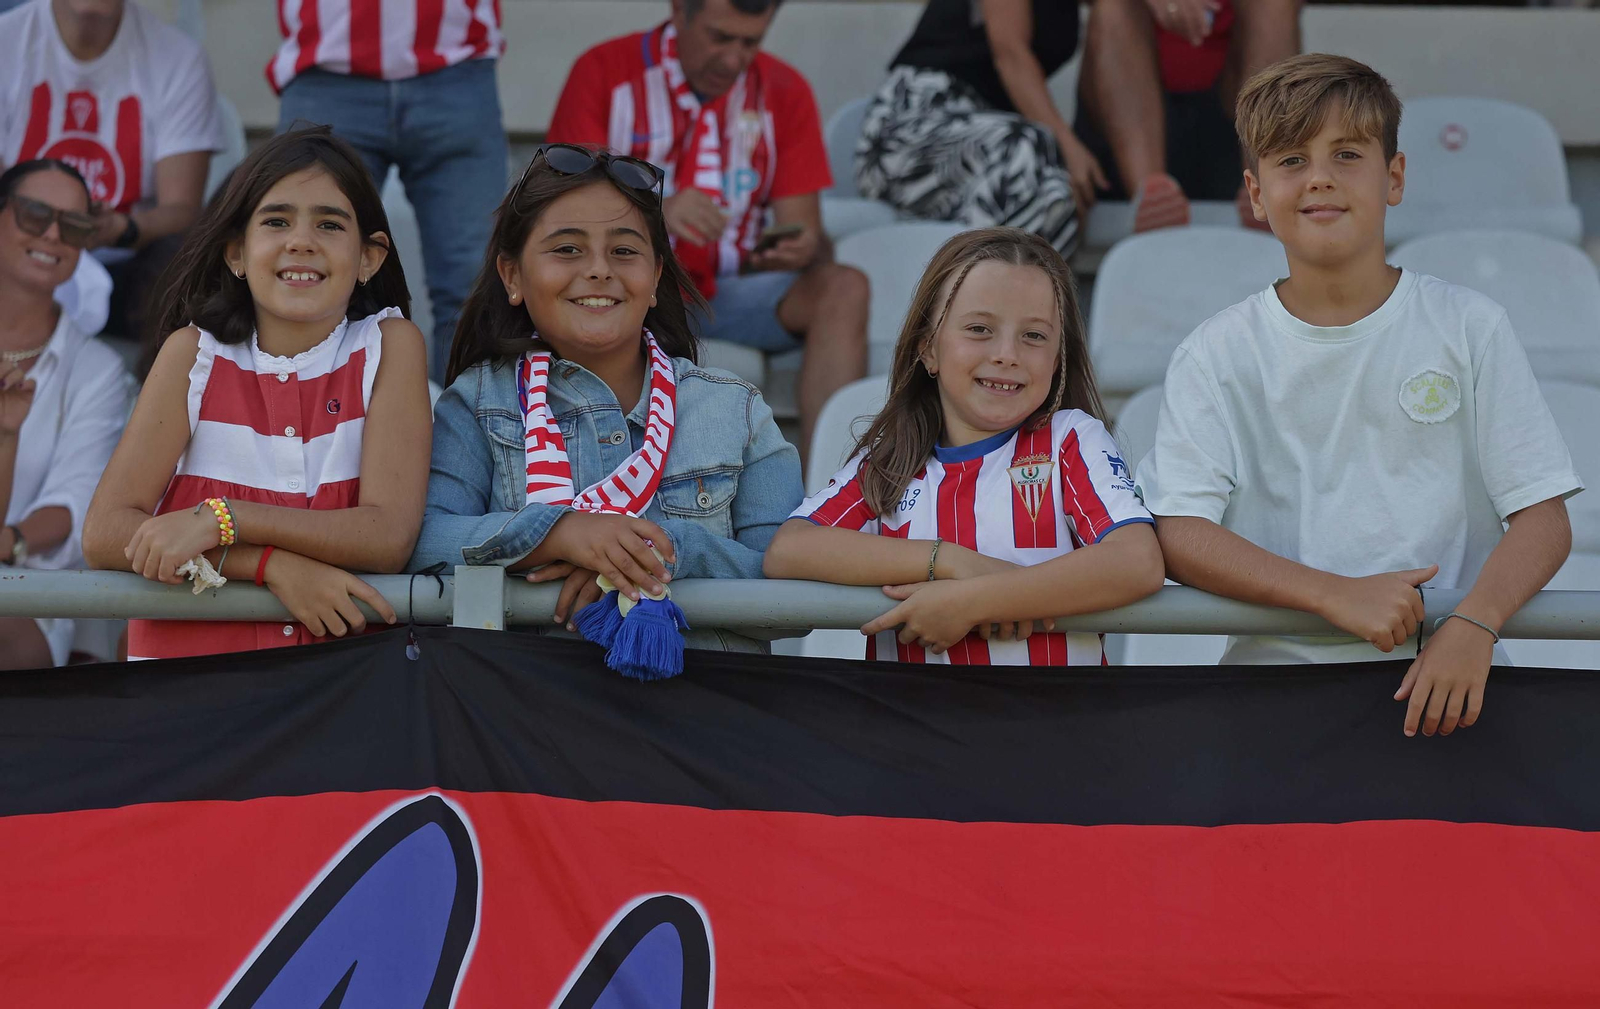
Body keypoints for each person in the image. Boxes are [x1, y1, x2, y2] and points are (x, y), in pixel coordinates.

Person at [1135, 55, 1583, 736]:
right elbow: (1181, 531)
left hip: (1453, 691)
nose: (1319, 177)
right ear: (1256, 195)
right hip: (1269, 703)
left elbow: (1544, 519)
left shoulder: (1468, 326)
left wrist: (1475, 621)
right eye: (1291, 159)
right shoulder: (1216, 351)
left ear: (1394, 177)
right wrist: (1331, 596)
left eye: (1347, 153)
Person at [410, 144, 803, 656]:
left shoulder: (736, 409)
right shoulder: (476, 403)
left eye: (624, 250)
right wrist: (557, 535)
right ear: (512, 277)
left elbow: (789, 585)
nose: (598, 269)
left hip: (704, 719)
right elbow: (420, 545)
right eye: (567, 249)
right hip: (526, 714)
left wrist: (654, 550)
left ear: (657, 276)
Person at [82, 127, 433, 660]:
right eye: (276, 221)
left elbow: (386, 537)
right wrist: (271, 566)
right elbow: (106, 533)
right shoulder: (191, 354)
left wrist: (224, 519)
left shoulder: (390, 347)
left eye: (329, 224)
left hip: (336, 692)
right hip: (183, 688)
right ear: (236, 253)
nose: (301, 240)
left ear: (369, 258)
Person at [763, 227, 1164, 663]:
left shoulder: (1069, 439)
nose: (1006, 354)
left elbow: (1137, 562)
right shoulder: (892, 458)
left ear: (1057, 358)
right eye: (979, 329)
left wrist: (978, 600)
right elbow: (789, 549)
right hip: (911, 725)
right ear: (928, 350)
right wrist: (948, 561)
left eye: (1034, 336)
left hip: (1057, 724)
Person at [546, 0, 868, 461]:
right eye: (721, 38)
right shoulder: (603, 70)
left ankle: (838, 480)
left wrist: (795, 249)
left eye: (751, 42)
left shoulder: (785, 88)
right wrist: (655, 211)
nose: (735, 59)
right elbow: (559, 208)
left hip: (734, 289)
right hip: (628, 287)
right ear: (680, 12)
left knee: (844, 287)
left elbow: (806, 230)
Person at [271, 0, 511, 385]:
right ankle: (295, 431)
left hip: (454, 67)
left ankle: (471, 437)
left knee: (475, 283)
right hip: (328, 67)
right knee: (300, 265)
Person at [0, 0, 222, 341]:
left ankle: (160, 386)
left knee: (189, 260)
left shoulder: (178, 57)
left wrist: (125, 228)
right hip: (19, 253)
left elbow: (184, 211)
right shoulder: (8, 41)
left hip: (128, 265)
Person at [0, 159, 135, 668]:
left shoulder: (96, 368)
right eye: (35, 214)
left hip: (26, 594)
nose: (53, 234)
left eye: (75, 226)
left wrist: (11, 542)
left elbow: (78, 505)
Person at [857, 0, 1104, 256]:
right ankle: (975, 286)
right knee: (1028, 148)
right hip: (913, 126)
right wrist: (1066, 143)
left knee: (1057, 192)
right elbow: (1010, 54)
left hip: (990, 142)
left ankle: (1027, 291)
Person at [1076, 0, 1300, 230]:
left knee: (1275, 5)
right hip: (1124, 123)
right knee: (1114, 9)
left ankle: (1264, 182)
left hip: (1233, 118)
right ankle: (1150, 197)